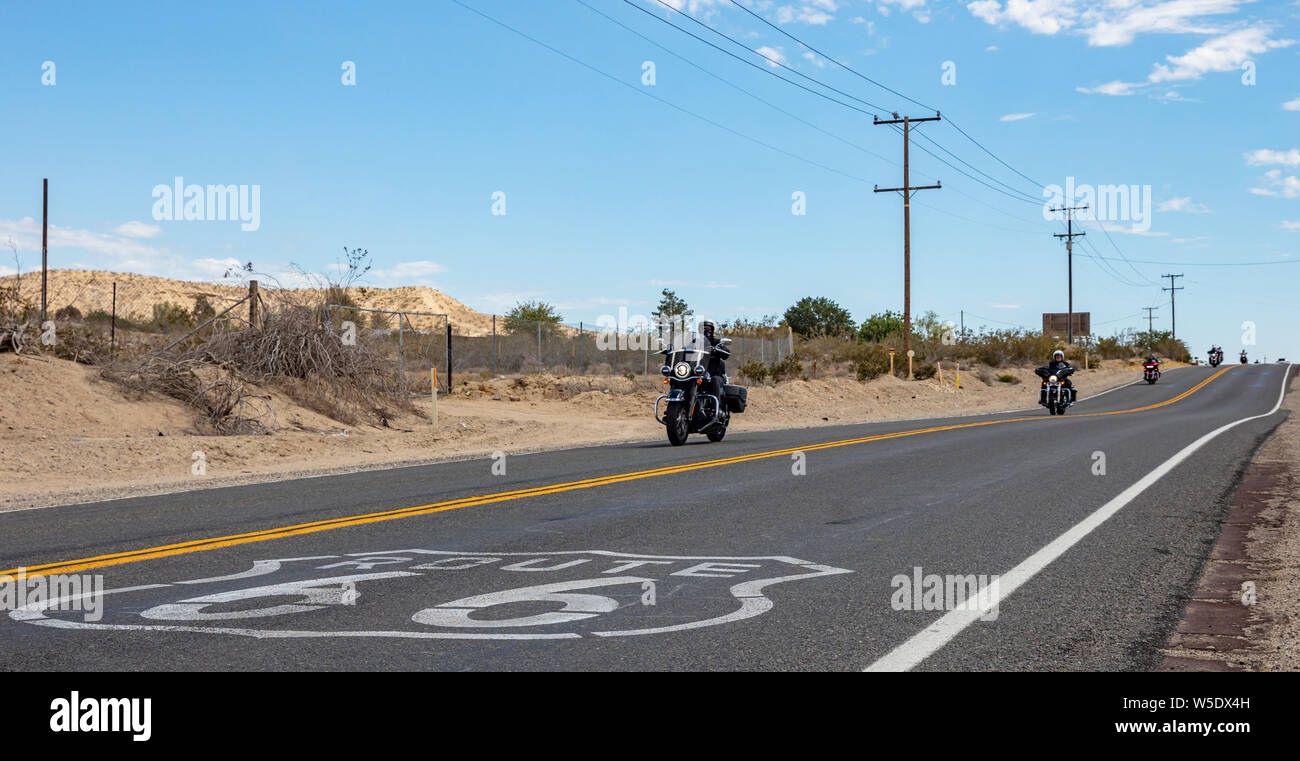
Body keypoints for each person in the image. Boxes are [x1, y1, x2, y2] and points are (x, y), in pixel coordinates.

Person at [699, 320, 730, 413]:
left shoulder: (717, 342)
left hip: (714, 374)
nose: (705, 330)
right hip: (698, 373)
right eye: (703, 328)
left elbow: (726, 354)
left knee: (715, 380)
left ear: (713, 330)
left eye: (707, 328)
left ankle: (715, 409)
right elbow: (686, 349)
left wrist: (719, 349)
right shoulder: (695, 343)